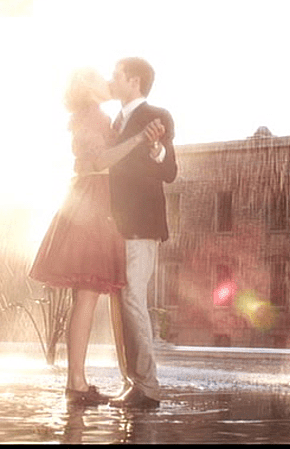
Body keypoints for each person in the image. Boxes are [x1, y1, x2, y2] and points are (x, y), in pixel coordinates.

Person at [28, 67, 164, 406]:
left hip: (93, 201)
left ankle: (77, 381)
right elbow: (99, 159)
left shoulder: (95, 115)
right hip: (92, 202)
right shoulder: (91, 115)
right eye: (96, 78)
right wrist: (136, 139)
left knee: (86, 295)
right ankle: (76, 382)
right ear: (85, 89)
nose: (105, 80)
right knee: (86, 293)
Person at [106, 57, 177, 410]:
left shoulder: (156, 116)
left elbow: (170, 171)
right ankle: (133, 382)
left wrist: (154, 149)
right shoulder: (113, 122)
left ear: (133, 81)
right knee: (122, 302)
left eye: (115, 75)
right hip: (112, 227)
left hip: (140, 225)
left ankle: (148, 386)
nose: (110, 80)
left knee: (133, 298)